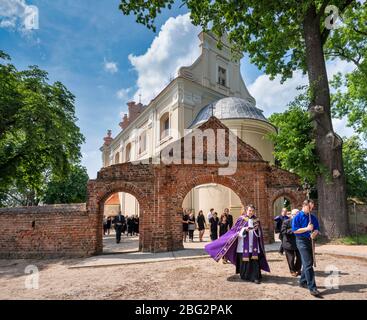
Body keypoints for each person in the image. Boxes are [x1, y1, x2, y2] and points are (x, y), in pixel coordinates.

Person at [205, 204, 270, 284]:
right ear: (246, 210)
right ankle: (245, 275)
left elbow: (259, 233)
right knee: (244, 260)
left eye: (253, 211)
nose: (251, 212)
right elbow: (236, 231)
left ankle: (255, 276)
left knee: (254, 261)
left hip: (254, 244)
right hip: (243, 244)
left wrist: (256, 230)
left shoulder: (256, 220)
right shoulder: (241, 219)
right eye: (250, 210)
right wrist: (244, 230)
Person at [292, 200, 321, 297]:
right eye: (309, 207)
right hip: (301, 241)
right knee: (308, 264)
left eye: (312, 207)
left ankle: (302, 281)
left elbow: (317, 228)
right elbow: (295, 230)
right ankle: (312, 288)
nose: (311, 209)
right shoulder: (297, 217)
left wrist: (314, 233)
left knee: (308, 262)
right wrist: (307, 229)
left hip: (310, 241)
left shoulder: (312, 217)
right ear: (304, 206)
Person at [280, 209, 301, 277]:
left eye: (298, 214)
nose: (297, 216)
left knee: (300, 257)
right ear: (292, 215)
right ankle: (292, 270)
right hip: (288, 243)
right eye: (295, 214)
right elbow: (283, 231)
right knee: (291, 258)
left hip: (298, 242)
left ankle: (297, 269)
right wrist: (293, 230)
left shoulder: (300, 222)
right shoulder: (286, 222)